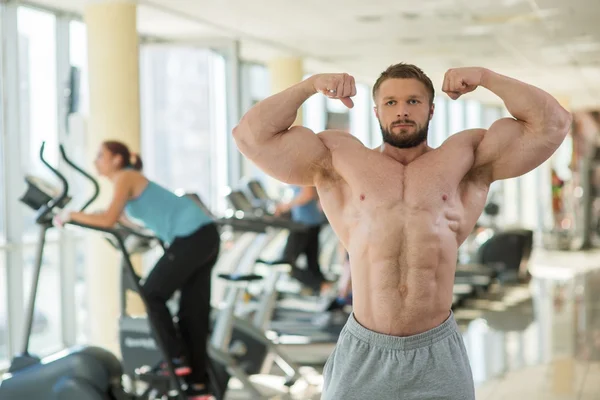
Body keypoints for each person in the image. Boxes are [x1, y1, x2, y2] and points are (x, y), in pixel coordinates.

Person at [232, 63, 571, 399]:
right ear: (377, 111)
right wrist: (309, 86)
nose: (402, 111)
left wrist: (487, 78)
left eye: (413, 101)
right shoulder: (339, 157)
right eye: (391, 103)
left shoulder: (465, 158)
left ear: (431, 109)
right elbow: (250, 136)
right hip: (363, 352)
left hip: (437, 353)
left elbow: (553, 123)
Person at [55, 141, 219, 400]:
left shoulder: (125, 177)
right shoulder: (129, 180)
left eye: (101, 156)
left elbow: (107, 218)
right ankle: (199, 386)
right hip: (205, 235)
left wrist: (70, 215)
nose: (96, 161)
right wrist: (105, 218)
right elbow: (129, 219)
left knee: (152, 293)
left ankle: (175, 359)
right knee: (192, 313)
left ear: (117, 160)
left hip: (192, 236)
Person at [274, 185, 328, 294]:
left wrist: (286, 206)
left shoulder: (302, 171)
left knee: (286, 263)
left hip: (303, 223)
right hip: (310, 221)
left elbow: (308, 194)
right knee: (312, 263)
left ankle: (322, 285)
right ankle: (323, 287)